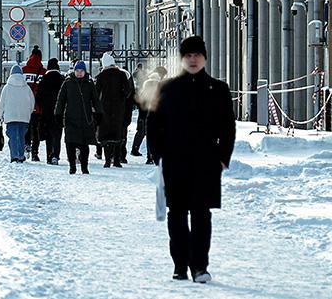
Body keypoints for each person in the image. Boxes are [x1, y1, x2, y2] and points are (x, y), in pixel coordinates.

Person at [149, 35, 235, 284]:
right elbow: (154, 125)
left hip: (206, 163)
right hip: (175, 162)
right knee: (176, 215)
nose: (193, 59)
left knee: (201, 215)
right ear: (182, 59)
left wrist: (222, 158)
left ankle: (199, 266)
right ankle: (179, 265)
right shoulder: (167, 88)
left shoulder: (218, 89)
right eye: (188, 55)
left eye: (197, 55)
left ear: (204, 58)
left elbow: (227, 127)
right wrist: (159, 157)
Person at [54, 60, 101, 174]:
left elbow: (95, 100)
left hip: (86, 119)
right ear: (74, 71)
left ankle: (84, 167)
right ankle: (72, 166)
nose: (79, 73)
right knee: (70, 143)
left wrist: (98, 113)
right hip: (71, 118)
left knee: (84, 145)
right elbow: (61, 100)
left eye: (82, 71)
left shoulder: (89, 84)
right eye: (77, 71)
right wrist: (58, 114)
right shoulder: (68, 83)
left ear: (85, 71)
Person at [95, 53, 133, 168]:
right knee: (117, 134)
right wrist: (122, 97)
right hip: (118, 108)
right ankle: (116, 160)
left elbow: (96, 92)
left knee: (106, 135)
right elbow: (128, 90)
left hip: (105, 107)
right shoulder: (121, 74)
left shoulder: (101, 76)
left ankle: (107, 160)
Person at [0, 65, 34, 163]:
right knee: (21, 136)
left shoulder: (7, 87)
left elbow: (2, 103)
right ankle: (21, 155)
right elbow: (32, 102)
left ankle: (14, 155)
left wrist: (0, 115)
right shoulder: (26, 88)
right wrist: (28, 113)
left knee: (13, 136)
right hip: (24, 117)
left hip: (11, 116)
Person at [134, 66, 167, 162]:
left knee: (147, 135)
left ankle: (149, 156)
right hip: (155, 116)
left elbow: (140, 102)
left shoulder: (145, 88)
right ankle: (152, 156)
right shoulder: (159, 89)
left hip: (145, 116)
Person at [21, 46, 47, 161]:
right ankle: (35, 153)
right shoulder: (43, 72)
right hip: (38, 106)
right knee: (36, 129)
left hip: (25, 105)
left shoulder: (23, 70)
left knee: (26, 126)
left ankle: (26, 145)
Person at [37, 58, 65, 164]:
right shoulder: (62, 80)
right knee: (57, 134)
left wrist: (43, 107)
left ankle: (49, 155)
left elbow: (38, 97)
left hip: (46, 111)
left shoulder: (43, 80)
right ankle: (55, 155)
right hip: (59, 111)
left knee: (48, 134)